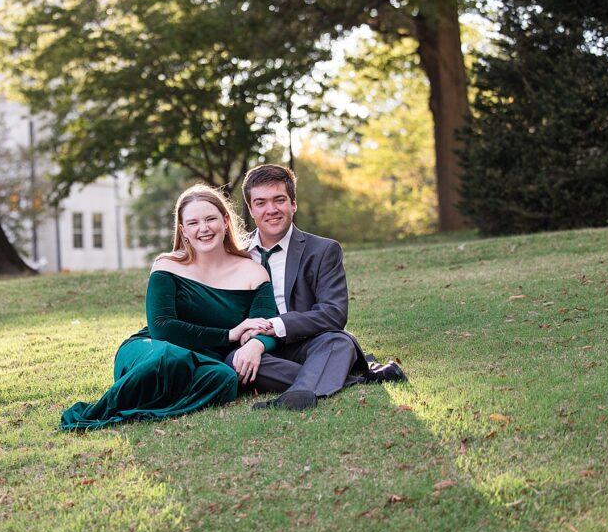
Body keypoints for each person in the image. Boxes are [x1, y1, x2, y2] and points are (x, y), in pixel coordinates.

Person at [60, 185, 279, 430]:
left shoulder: (253, 271)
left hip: (205, 360)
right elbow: (162, 328)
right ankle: (102, 411)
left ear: (226, 221)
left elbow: (268, 325)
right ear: (183, 230)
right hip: (151, 349)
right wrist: (230, 335)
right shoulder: (168, 266)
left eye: (210, 219)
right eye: (193, 223)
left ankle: (146, 408)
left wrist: (255, 345)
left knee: (224, 379)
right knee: (171, 356)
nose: (203, 229)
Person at [226, 164, 406, 412]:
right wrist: (253, 341)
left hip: (309, 343)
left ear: (293, 203)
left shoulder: (323, 250)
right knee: (234, 362)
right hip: (259, 351)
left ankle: (297, 395)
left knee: (338, 341)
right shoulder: (235, 256)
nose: (271, 210)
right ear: (250, 208)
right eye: (261, 203)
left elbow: (333, 313)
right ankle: (353, 377)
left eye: (279, 200)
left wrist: (276, 327)